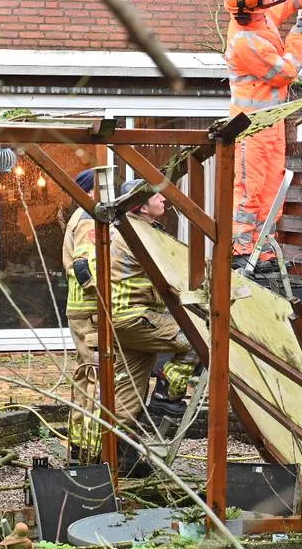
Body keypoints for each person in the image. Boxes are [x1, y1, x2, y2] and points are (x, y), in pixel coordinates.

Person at [223, 0, 302, 273]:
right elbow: (285, 72)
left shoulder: (259, 15)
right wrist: (299, 34)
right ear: (248, 10)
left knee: (273, 188)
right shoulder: (245, 42)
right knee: (251, 189)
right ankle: (240, 249)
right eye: (262, 1)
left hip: (272, 120)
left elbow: (289, 1)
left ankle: (262, 252)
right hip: (250, 124)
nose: (268, 4)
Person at [109, 179, 198, 474]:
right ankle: (164, 397)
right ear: (141, 205)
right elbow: (171, 275)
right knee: (198, 337)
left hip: (126, 320)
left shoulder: (130, 228)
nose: (163, 199)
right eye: (155, 196)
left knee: (127, 398)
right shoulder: (138, 233)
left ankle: (118, 461)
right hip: (136, 316)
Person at [63, 169, 101, 462]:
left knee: (83, 376)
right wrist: (101, 296)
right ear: (90, 191)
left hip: (80, 310)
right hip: (91, 311)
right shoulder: (89, 219)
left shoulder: (78, 216)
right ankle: (91, 450)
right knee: (95, 379)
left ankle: (79, 446)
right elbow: (84, 267)